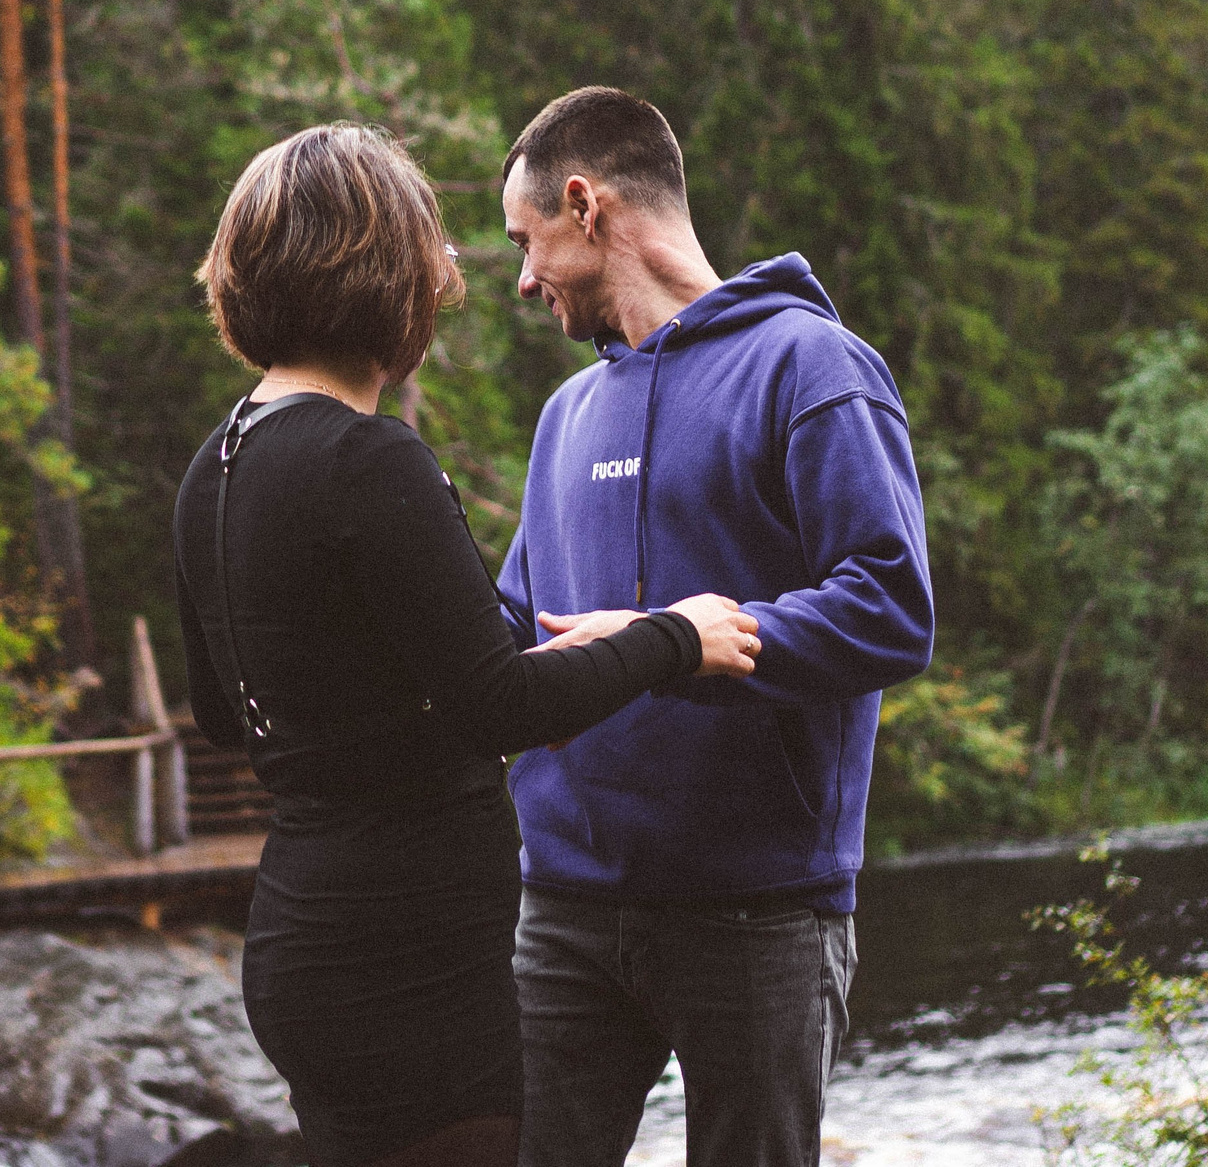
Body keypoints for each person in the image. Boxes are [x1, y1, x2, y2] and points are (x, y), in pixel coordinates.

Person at [174, 122, 765, 1167]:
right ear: (382, 277)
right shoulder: (368, 460)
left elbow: (226, 714)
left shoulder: (214, 466)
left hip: (300, 938)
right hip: (412, 965)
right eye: (431, 255)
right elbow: (501, 707)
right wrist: (678, 635)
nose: (445, 279)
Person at [494, 87, 934, 1167]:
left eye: (526, 239)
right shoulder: (567, 415)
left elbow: (891, 603)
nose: (521, 277)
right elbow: (511, 623)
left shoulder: (811, 367)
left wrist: (678, 647)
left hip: (758, 912)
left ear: (585, 204)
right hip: (561, 908)